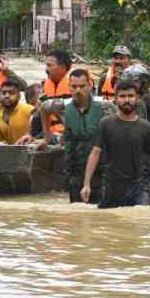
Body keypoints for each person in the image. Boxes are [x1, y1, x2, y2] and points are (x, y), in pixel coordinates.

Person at [82, 80, 150, 208]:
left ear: (137, 98)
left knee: (144, 220)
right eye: (122, 96)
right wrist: (87, 184)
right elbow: (95, 153)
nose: (127, 100)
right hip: (112, 185)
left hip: (139, 186)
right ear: (115, 99)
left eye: (130, 96)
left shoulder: (144, 126)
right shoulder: (106, 123)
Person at [38, 69, 107, 203]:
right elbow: (43, 108)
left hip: (100, 169)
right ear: (69, 86)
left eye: (82, 86)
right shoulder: (63, 106)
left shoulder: (104, 106)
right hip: (74, 167)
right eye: (74, 87)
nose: (78, 90)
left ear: (90, 86)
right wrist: (47, 138)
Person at [0, 80, 34, 145]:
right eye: (4, 93)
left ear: (19, 96)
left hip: (31, 150)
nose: (7, 96)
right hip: (11, 152)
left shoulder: (29, 110)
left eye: (11, 93)